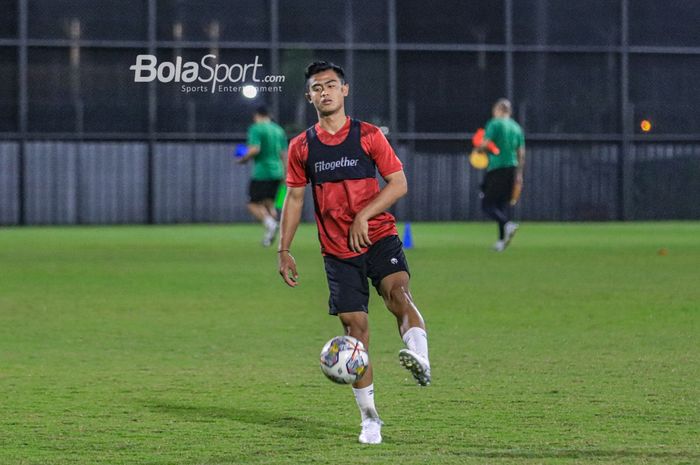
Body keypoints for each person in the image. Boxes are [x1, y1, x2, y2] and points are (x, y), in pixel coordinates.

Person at [277, 61, 431, 445]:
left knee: (398, 294)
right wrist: (284, 247)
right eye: (317, 87)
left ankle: (421, 358)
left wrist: (364, 213)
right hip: (337, 250)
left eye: (331, 85)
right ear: (309, 96)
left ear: (345, 91)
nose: (325, 92)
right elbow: (295, 199)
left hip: (379, 236)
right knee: (355, 332)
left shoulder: (368, 136)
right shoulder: (302, 146)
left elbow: (398, 184)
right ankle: (370, 419)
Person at [479, 98, 526, 252]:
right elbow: (521, 153)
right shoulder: (516, 127)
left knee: (487, 204)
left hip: (497, 167)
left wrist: (479, 148)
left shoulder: (495, 123)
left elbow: (486, 144)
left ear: (498, 109)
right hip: (512, 168)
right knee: (500, 204)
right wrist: (519, 174)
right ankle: (501, 241)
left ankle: (507, 224)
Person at [238, 106, 287, 247]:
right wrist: (286, 173)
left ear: (257, 115)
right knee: (269, 204)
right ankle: (269, 237)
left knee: (252, 204)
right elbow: (284, 154)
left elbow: (255, 149)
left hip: (262, 172)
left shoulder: (256, 128)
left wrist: (243, 159)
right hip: (277, 172)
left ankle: (271, 224)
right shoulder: (279, 130)